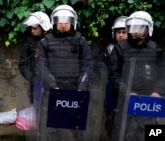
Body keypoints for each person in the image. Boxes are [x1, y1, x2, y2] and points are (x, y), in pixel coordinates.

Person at [36, 4, 92, 141]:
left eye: (66, 21)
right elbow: (41, 65)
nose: (63, 25)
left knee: (74, 126)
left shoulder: (81, 41)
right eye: (60, 21)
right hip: (53, 90)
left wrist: (82, 86)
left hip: (75, 89)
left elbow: (87, 64)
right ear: (54, 22)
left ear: (73, 22)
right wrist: (52, 85)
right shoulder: (45, 42)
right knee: (51, 126)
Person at [109, 11, 164, 141]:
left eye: (140, 27)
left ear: (148, 29)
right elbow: (113, 74)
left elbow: (163, 73)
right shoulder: (119, 48)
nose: (136, 31)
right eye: (134, 27)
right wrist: (127, 92)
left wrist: (158, 91)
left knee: (152, 133)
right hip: (127, 99)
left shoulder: (156, 49)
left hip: (150, 99)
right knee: (124, 133)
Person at [98, 15, 128, 138]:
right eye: (118, 32)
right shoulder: (108, 48)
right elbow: (100, 66)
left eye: (124, 32)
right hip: (111, 88)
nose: (121, 35)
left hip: (129, 86)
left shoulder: (132, 49)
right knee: (111, 116)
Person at [18, 11, 52, 103]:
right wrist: (32, 78)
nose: (32, 31)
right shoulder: (29, 43)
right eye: (31, 28)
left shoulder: (53, 41)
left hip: (52, 84)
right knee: (37, 109)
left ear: (44, 28)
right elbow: (22, 64)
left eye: (35, 28)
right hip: (36, 83)